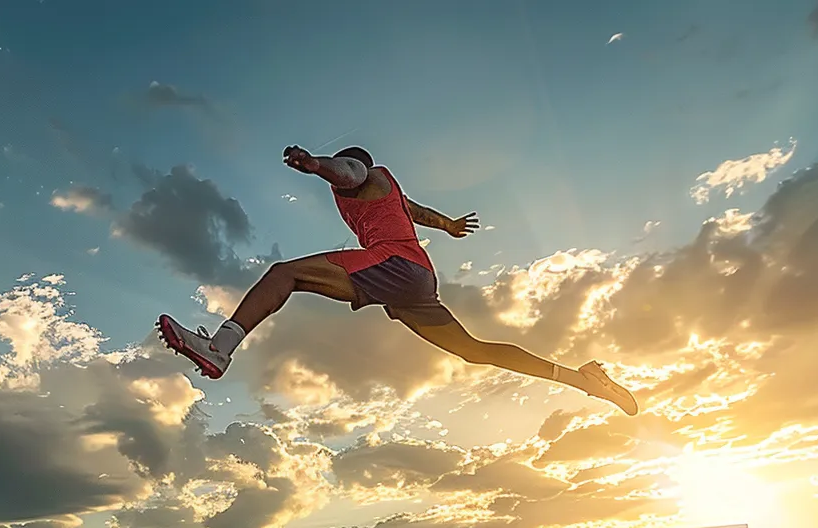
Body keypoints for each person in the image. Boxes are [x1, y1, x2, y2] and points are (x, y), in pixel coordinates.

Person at [157, 145, 639, 415]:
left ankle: (221, 346)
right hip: (415, 282)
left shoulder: (365, 175)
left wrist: (317, 166)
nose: (339, 184)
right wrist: (449, 224)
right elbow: (416, 211)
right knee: (473, 349)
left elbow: (349, 171)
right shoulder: (392, 195)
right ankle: (585, 381)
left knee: (285, 274)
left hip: (394, 266)